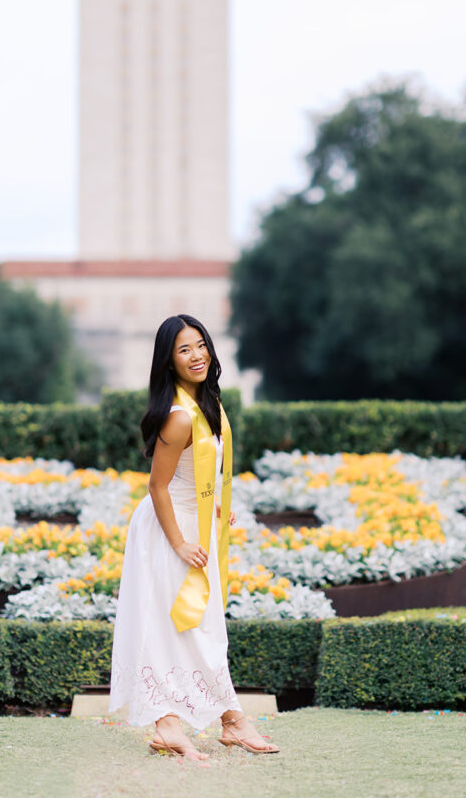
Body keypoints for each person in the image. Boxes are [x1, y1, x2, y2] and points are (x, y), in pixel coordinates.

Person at [109, 313, 280, 762]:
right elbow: (157, 487)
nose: (196, 355)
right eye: (184, 349)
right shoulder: (179, 417)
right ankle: (203, 722)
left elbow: (200, 475)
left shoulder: (209, 405)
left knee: (202, 627)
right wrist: (180, 542)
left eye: (200, 344)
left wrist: (217, 509)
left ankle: (220, 721)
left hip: (198, 522)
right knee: (182, 628)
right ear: (169, 362)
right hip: (170, 531)